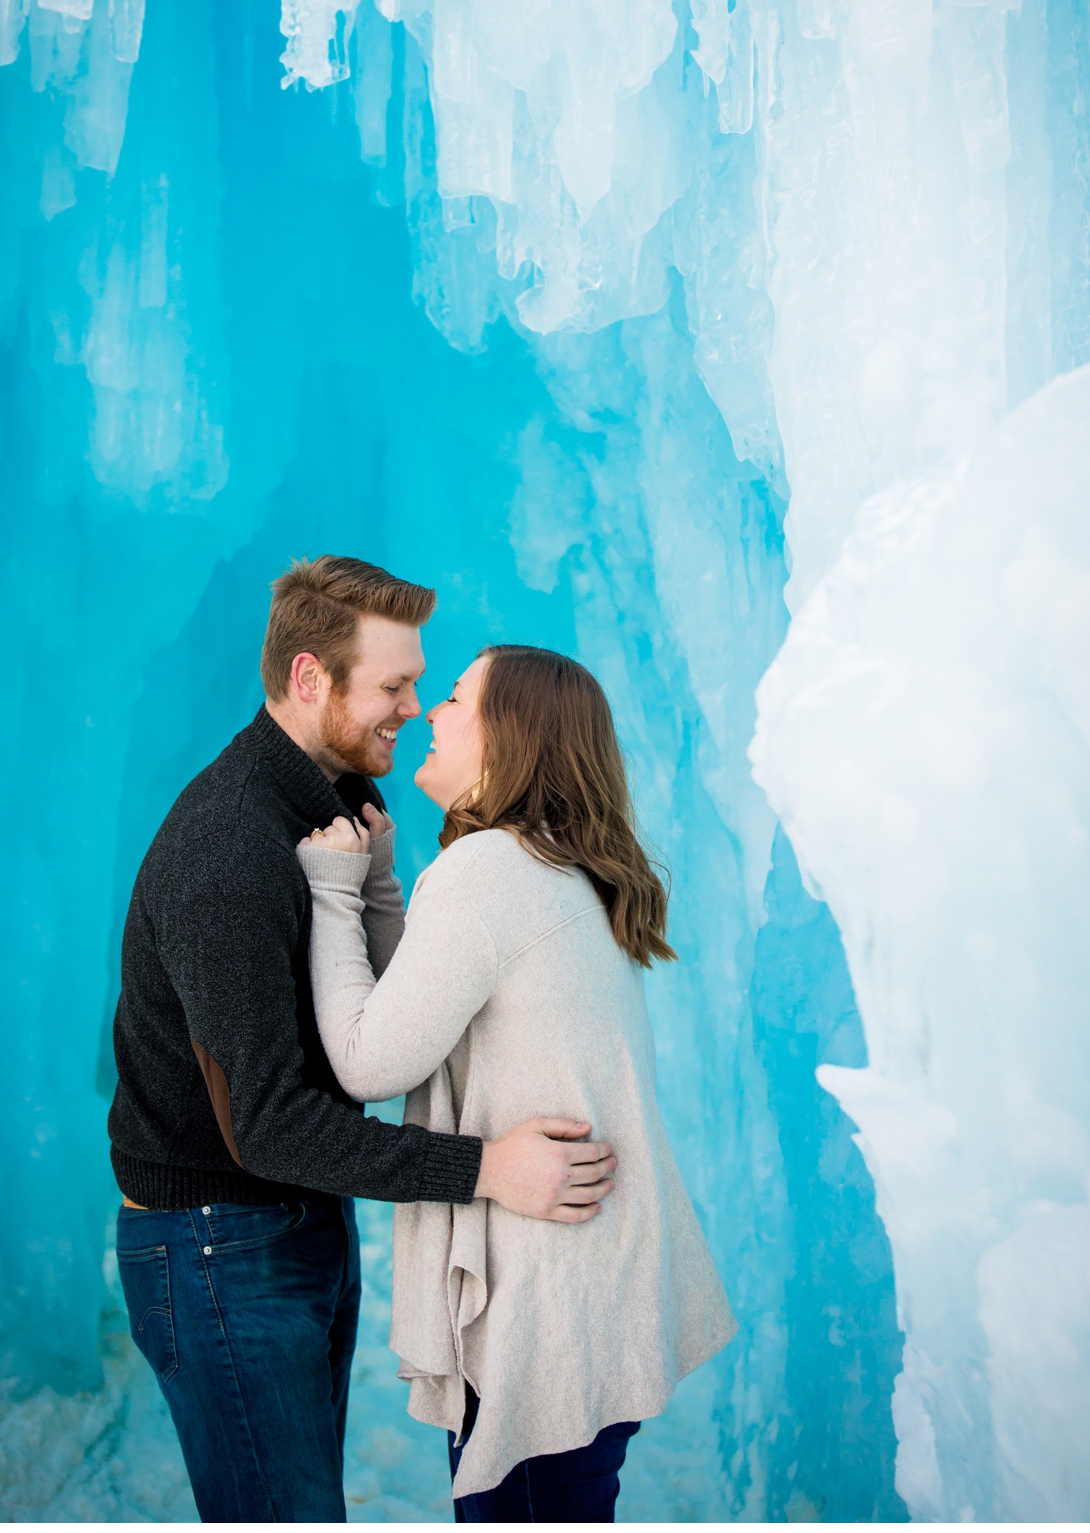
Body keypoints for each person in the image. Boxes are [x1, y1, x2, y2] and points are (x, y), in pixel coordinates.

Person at [108, 557, 620, 1522]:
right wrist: (485, 1170)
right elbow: (266, 1124)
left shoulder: (333, 815)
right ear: (311, 680)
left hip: (293, 1220)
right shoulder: (230, 850)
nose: (413, 707)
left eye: (424, 685)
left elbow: (385, 1022)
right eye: (393, 686)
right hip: (216, 1240)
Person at [297, 644, 736, 1520]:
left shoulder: (487, 870)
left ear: (510, 737)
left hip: (541, 1315)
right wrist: (383, 887)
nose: (428, 713)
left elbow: (370, 1061)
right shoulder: (559, 871)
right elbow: (429, 1009)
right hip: (595, 1294)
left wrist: (335, 892)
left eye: (456, 698)